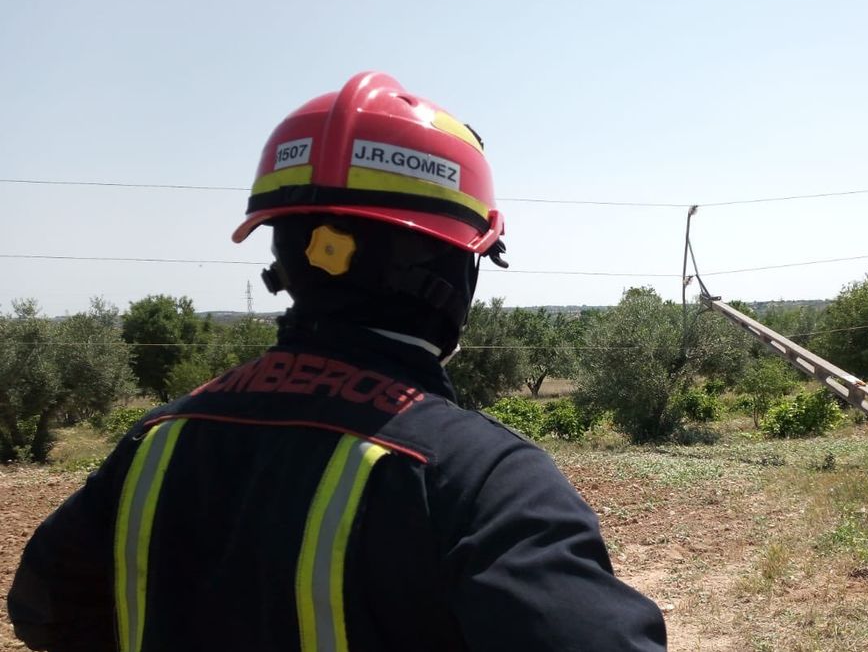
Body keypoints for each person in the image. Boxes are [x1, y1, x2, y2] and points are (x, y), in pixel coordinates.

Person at [7, 72, 668, 651]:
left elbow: (42, 608)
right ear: (459, 270)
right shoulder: (482, 482)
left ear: (285, 258)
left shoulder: (154, 443)